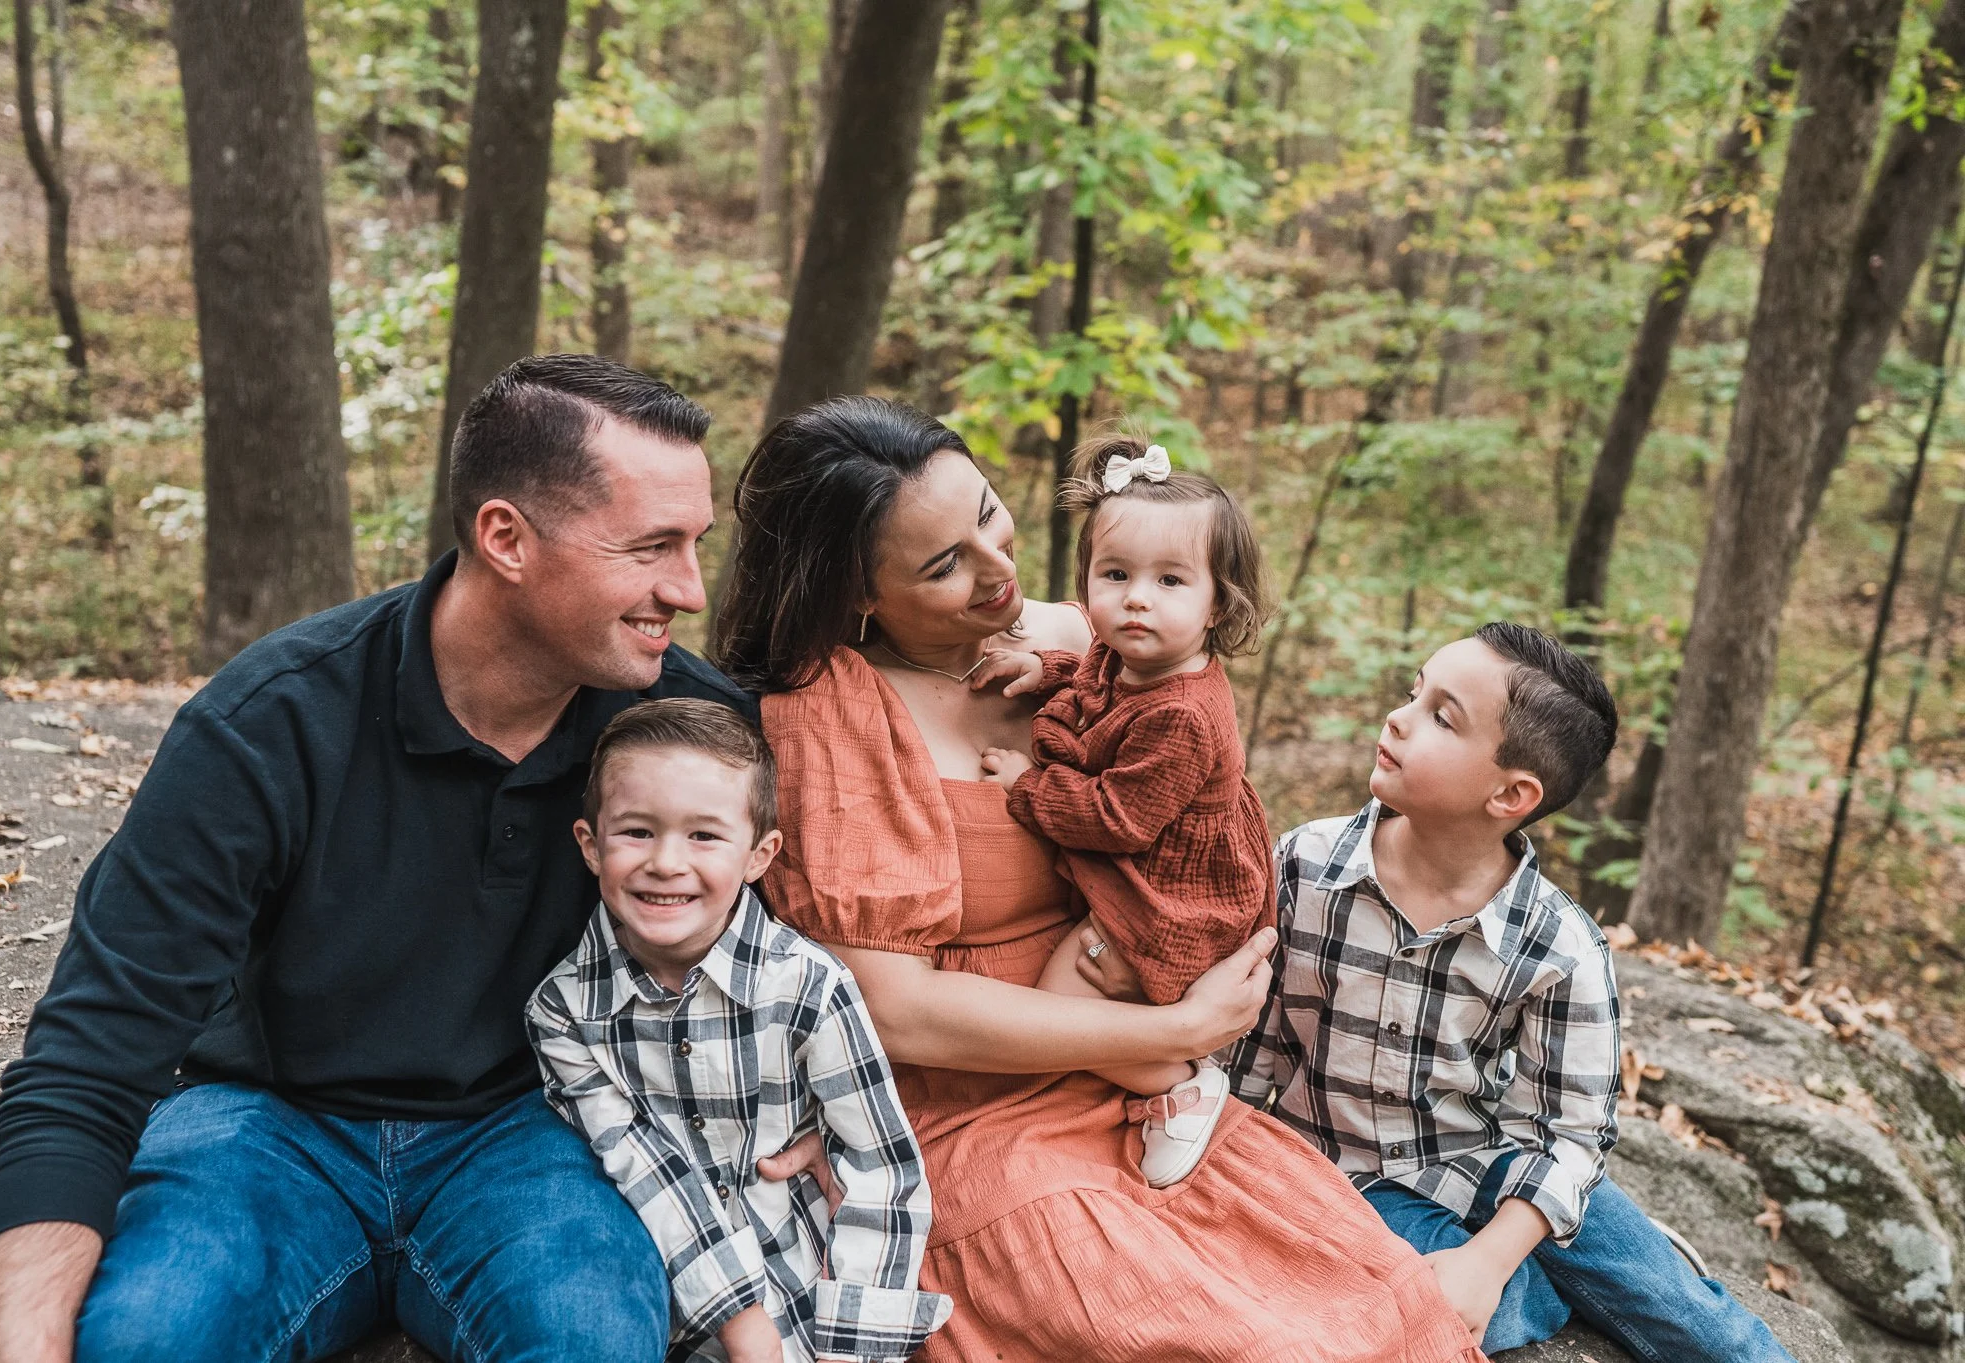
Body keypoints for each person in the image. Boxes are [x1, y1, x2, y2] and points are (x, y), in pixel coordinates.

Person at [0, 355, 785, 1363]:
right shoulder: (268, 724)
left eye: (696, 543)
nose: (690, 589)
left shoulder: (693, 736)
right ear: (505, 538)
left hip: (534, 1131)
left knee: (591, 1336)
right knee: (146, 1335)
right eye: (652, 547)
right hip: (267, 1128)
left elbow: (783, 970)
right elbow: (84, 1065)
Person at [713, 395, 1487, 1363]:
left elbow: (1191, 792)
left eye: (988, 513)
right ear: (857, 594)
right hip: (967, 1110)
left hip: (1137, 1090)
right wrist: (1168, 1030)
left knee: (1371, 1312)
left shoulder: (1101, 637)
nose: (997, 568)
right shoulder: (828, 716)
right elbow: (893, 1009)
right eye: (942, 563)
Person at [1226, 623, 1797, 1361]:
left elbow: (1572, 1132)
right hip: (1346, 1179)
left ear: (1512, 793)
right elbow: (1252, 1050)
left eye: (1441, 714)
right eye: (1413, 691)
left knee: (1686, 1314)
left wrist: (1492, 1256)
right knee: (1408, 1310)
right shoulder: (1305, 866)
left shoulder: (1558, 945)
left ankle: (1595, 1266)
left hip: (1502, 1167)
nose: (1398, 717)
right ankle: (1546, 1288)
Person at [527, 699, 952, 1363]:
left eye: (704, 836)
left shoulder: (811, 985)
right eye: (637, 831)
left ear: (759, 854)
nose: (667, 862)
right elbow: (642, 1165)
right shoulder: (564, 1010)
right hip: (676, 1302)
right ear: (590, 843)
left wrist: (852, 1350)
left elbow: (881, 1169)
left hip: (818, 1285)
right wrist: (739, 1317)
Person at [975, 434, 1274, 1187]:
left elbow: (1117, 819)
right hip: (1152, 859)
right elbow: (1093, 676)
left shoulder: (1184, 715)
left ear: (1217, 605)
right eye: (1115, 574)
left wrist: (1025, 785)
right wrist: (1041, 667)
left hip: (1176, 890)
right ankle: (1154, 1066)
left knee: (1057, 1014)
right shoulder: (1133, 652)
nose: (1136, 596)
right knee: (1057, 1011)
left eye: (1171, 580)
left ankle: (1179, 1081)